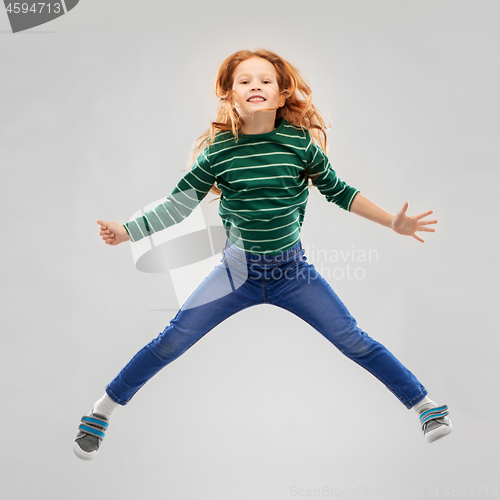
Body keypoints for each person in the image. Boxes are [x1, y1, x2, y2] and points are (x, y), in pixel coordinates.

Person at [73, 48, 452, 461]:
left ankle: (425, 407)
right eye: (245, 80)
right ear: (228, 94)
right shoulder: (219, 153)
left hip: (293, 273)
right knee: (172, 341)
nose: (256, 86)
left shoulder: (299, 145)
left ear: (282, 92)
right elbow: (178, 204)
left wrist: (392, 222)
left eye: (265, 80)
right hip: (236, 274)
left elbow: (340, 192)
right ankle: (102, 411)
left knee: (352, 339)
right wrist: (129, 231)